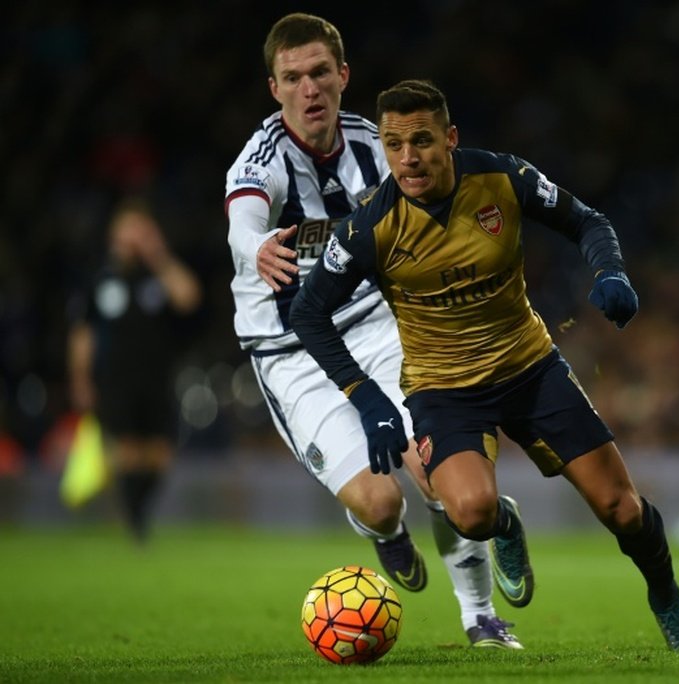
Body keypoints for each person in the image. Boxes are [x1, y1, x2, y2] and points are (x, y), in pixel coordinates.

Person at [290, 79, 679, 650]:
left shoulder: (502, 178)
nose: (408, 159)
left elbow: (588, 222)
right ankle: (503, 524)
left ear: (450, 138)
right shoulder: (370, 224)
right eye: (394, 145)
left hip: (529, 367)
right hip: (444, 391)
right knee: (471, 514)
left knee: (622, 509)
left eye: (422, 141)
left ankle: (668, 600)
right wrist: (367, 398)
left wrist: (609, 271)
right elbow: (309, 312)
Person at [224, 14, 521, 648]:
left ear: (342, 76)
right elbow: (241, 219)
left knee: (437, 467)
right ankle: (385, 534)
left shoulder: (375, 147)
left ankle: (481, 619)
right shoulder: (261, 160)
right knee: (380, 501)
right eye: (293, 78)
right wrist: (254, 249)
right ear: (274, 88)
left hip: (380, 328)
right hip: (293, 352)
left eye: (320, 74)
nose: (310, 90)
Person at [67, 197, 202, 542]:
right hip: (115, 379)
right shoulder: (100, 279)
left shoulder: (157, 275)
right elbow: (83, 333)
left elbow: (188, 297)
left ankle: (137, 516)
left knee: (159, 454)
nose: (133, 238)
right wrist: (81, 379)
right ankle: (135, 524)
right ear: (114, 235)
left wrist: (158, 255)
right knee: (126, 452)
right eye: (128, 230)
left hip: (157, 376)